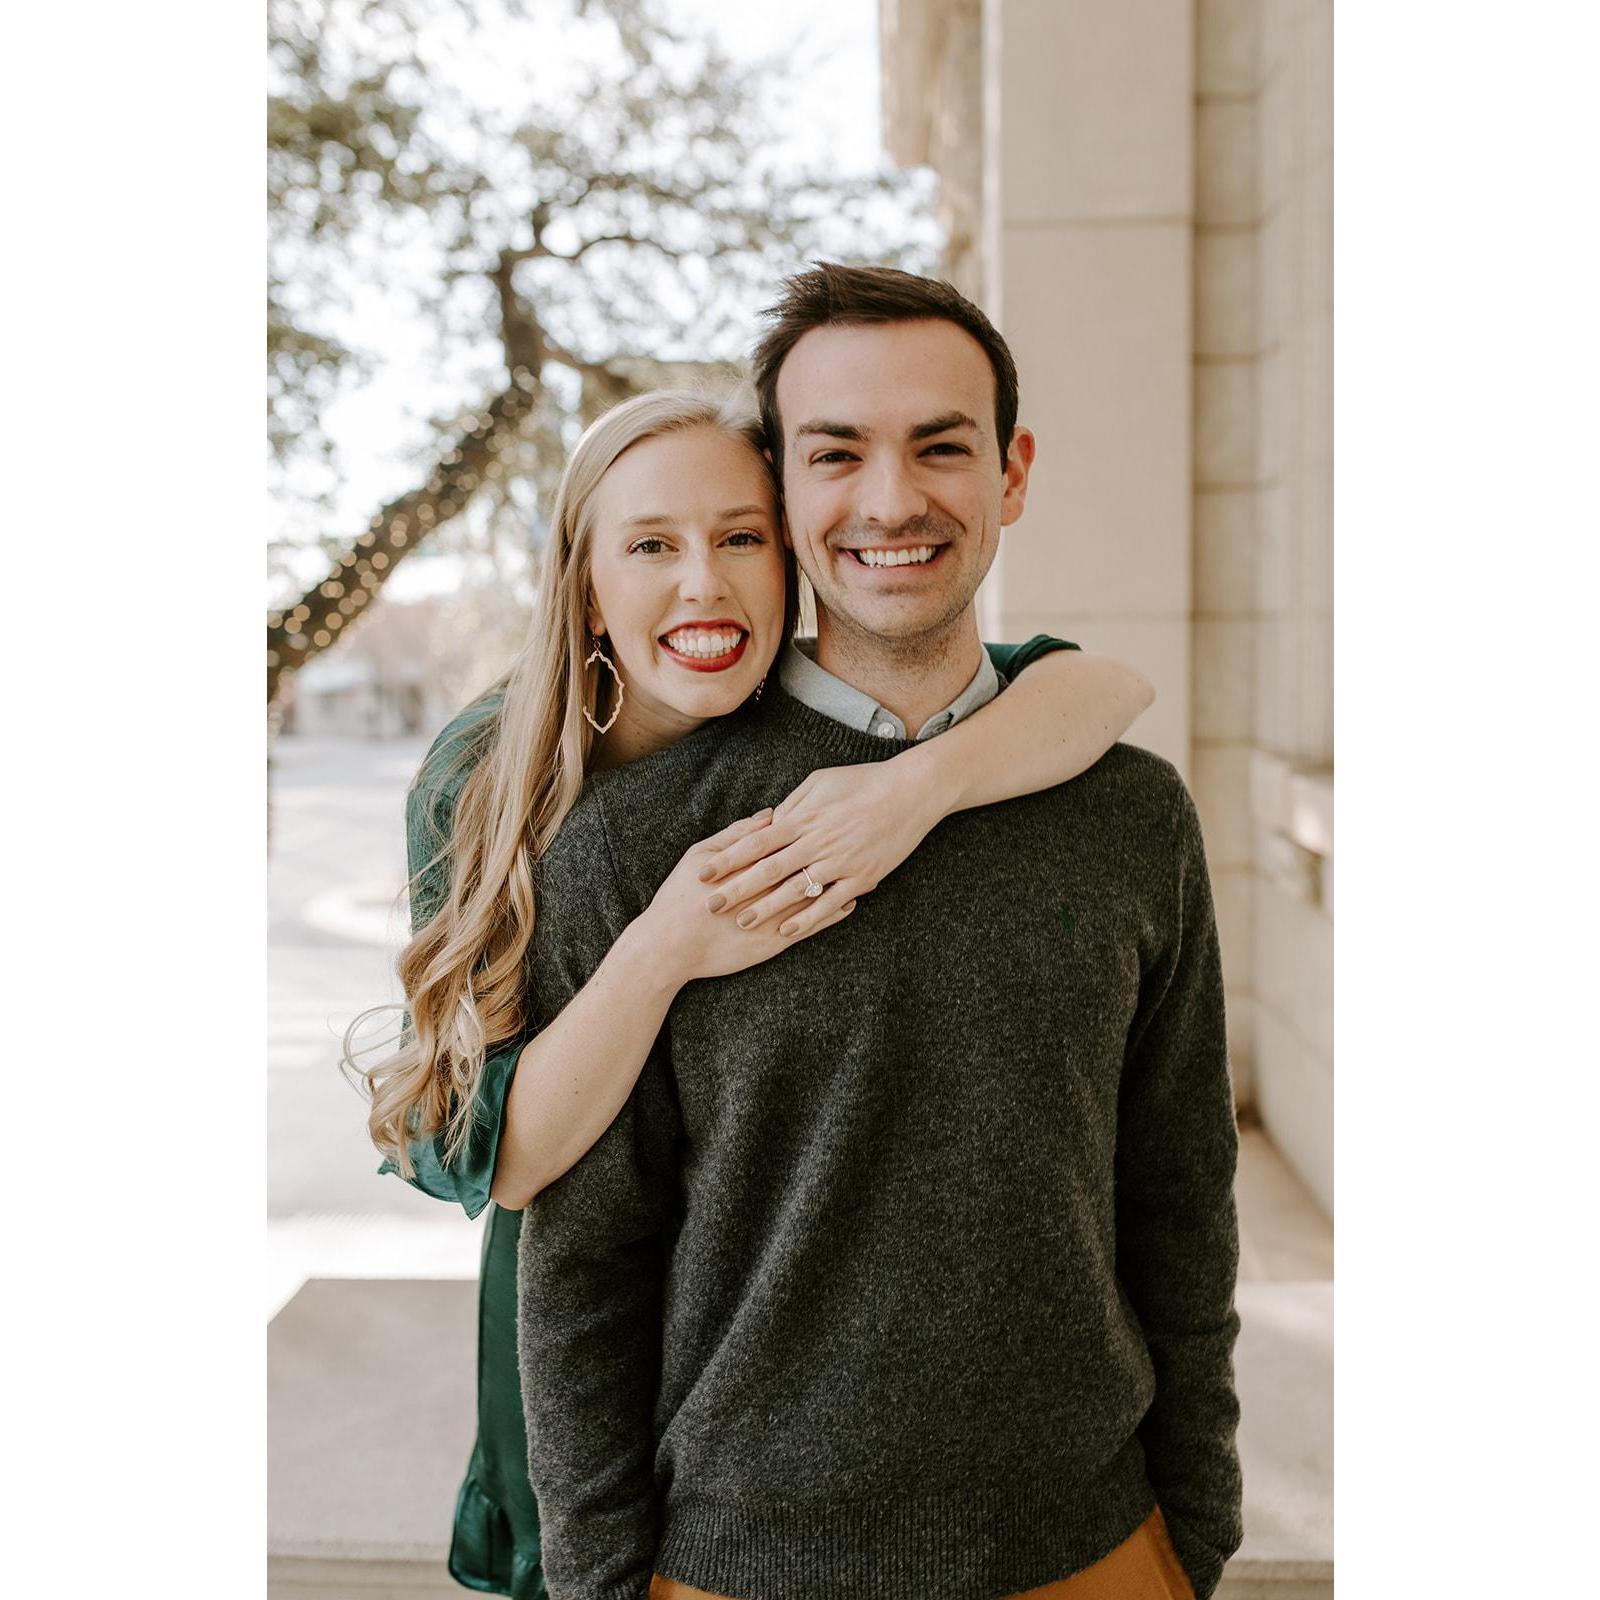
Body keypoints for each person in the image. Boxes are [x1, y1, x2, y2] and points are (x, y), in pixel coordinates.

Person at [513, 265, 1244, 1600]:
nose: (893, 500)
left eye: (942, 447)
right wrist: (600, 1583)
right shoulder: (634, 845)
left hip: (1096, 1548)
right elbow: (586, 1267)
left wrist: (1194, 1527)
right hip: (736, 1567)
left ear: (1012, 474)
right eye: (837, 453)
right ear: (784, 491)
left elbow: (1180, 1195)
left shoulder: (1132, 814)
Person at [355, 386, 1157, 1599]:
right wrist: (666, 941)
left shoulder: (833, 714)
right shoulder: (486, 777)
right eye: (651, 545)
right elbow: (505, 1159)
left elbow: (1103, 687)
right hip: (584, 1256)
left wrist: (917, 787)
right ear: (585, 586)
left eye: (741, 536)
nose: (705, 585)